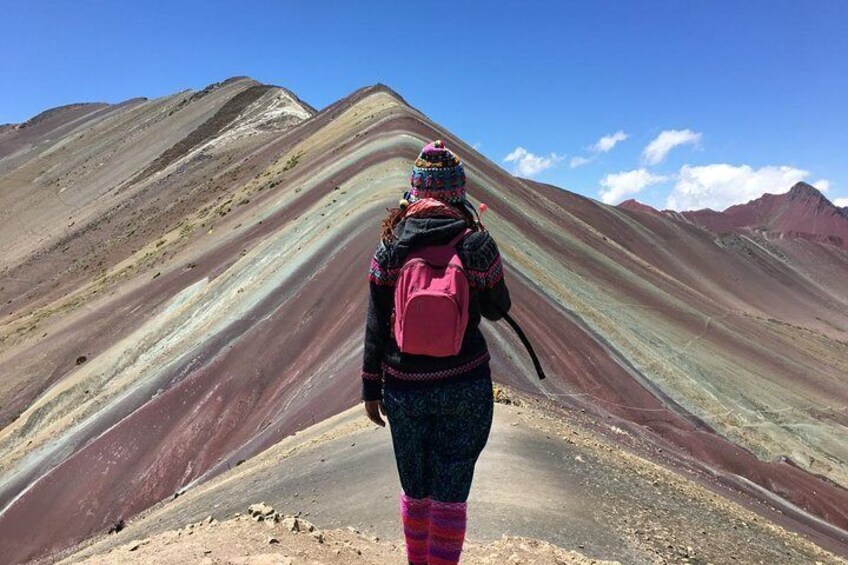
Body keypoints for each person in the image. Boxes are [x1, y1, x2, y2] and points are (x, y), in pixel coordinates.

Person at [361, 140, 511, 565]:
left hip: (404, 389)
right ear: (457, 191)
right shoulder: (475, 244)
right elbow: (499, 311)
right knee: (451, 493)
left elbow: (375, 323)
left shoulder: (390, 248)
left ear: (416, 189)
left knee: (416, 489)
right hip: (466, 386)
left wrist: (371, 389)